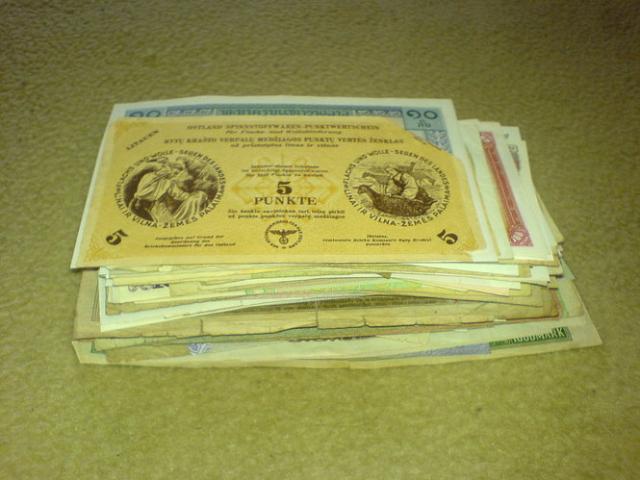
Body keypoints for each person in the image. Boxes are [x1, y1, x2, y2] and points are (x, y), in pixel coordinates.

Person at [129, 157, 206, 224]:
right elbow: (141, 192)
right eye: (163, 166)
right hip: (152, 208)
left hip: (158, 207)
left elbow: (179, 194)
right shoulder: (149, 177)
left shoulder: (166, 182)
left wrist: (190, 196)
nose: (167, 169)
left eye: (166, 166)